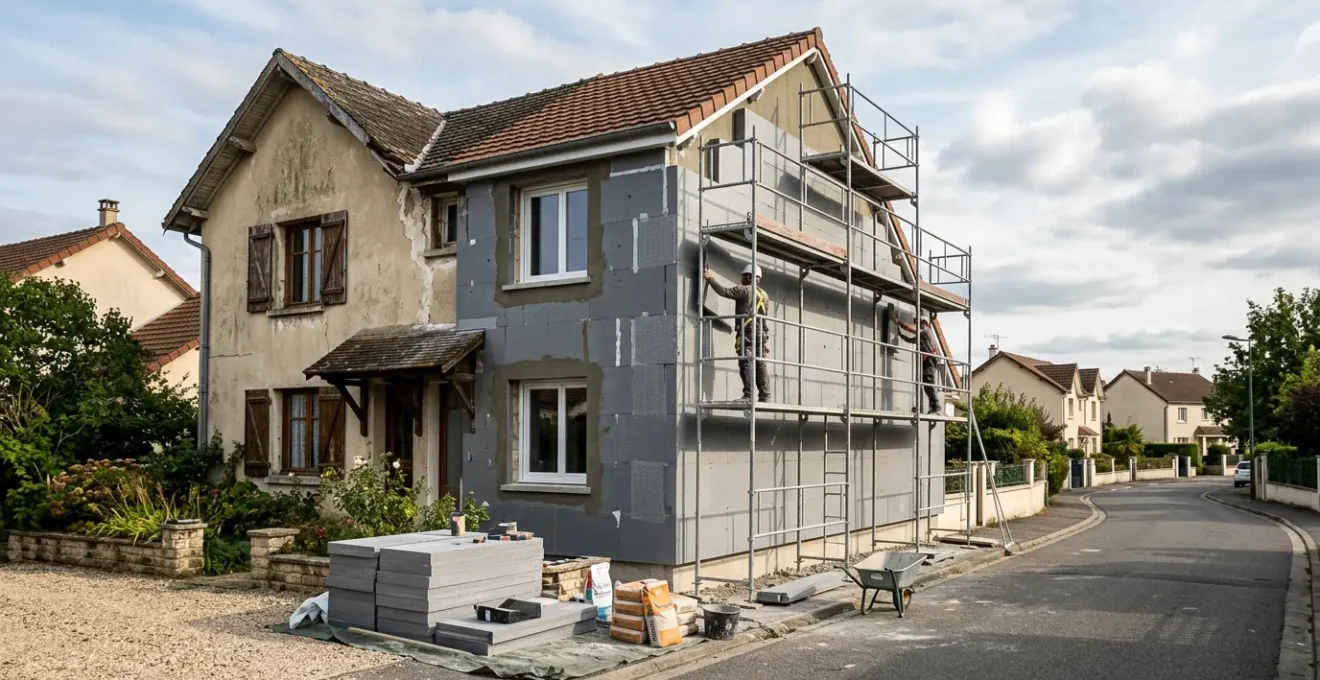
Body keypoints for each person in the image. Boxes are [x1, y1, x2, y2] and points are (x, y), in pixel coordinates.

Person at [705, 264, 771, 402]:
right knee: (760, 364)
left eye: (743, 276)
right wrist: (765, 339)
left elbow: (724, 291)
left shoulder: (743, 290)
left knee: (746, 362)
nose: (742, 279)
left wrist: (710, 278)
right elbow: (764, 319)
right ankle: (765, 395)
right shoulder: (765, 295)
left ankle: (748, 395)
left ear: (749, 277)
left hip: (747, 331)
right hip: (761, 334)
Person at [894, 313, 943, 414]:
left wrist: (899, 322)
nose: (918, 325)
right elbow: (911, 339)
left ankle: (936, 407)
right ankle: (933, 407)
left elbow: (911, 329)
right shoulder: (922, 335)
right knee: (926, 383)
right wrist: (900, 334)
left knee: (928, 382)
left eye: (918, 323)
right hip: (927, 359)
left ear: (923, 322)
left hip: (930, 358)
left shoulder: (926, 330)